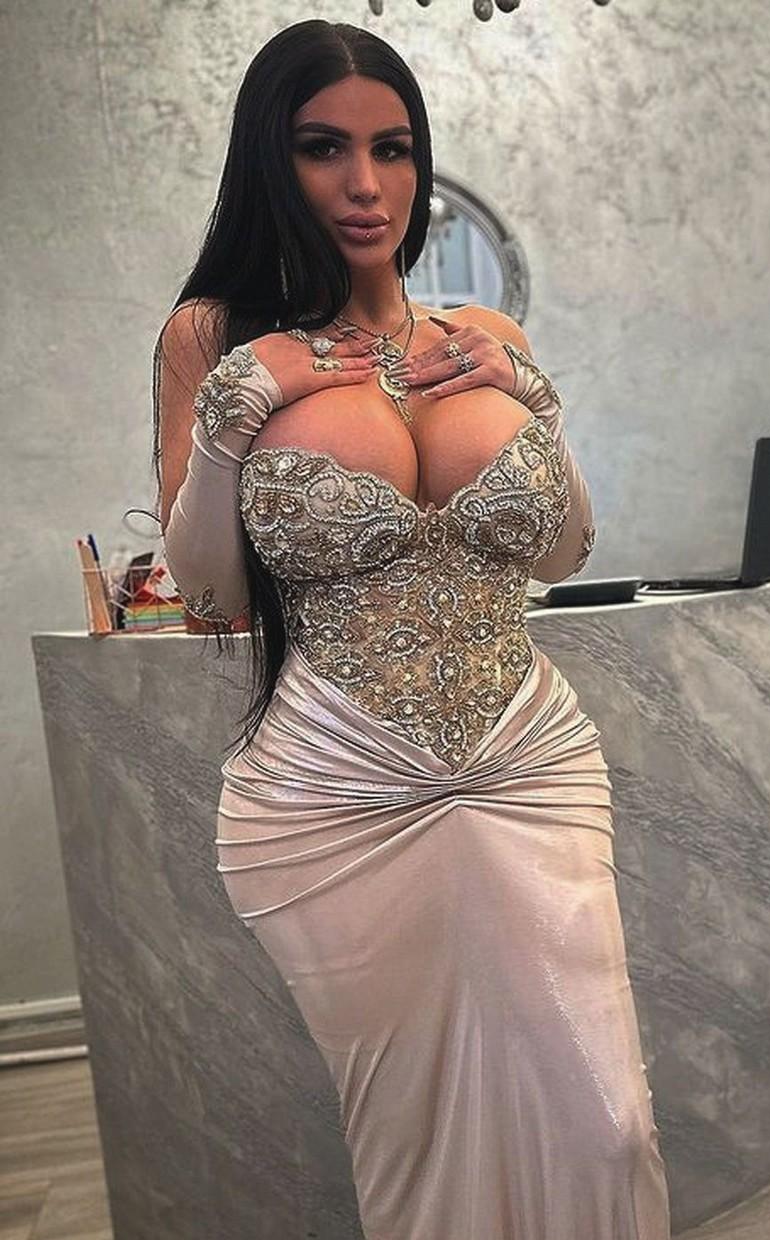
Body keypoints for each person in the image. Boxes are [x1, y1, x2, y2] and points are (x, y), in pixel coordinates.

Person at [155, 18, 671, 1240]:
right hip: (334, 790)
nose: (364, 183)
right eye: (322, 148)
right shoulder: (213, 338)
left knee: (608, 1121)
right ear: (271, 162)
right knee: (415, 1132)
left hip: (529, 761)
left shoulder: (484, 339)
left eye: (391, 149)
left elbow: (560, 554)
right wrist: (234, 419)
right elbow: (212, 599)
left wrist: (535, 405)